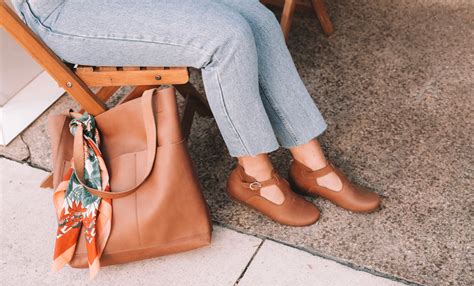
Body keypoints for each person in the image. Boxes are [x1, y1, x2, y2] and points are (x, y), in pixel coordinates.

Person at [13, 0, 380, 226]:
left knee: (256, 17)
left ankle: (311, 165)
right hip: (67, 11)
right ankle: (253, 178)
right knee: (225, 37)